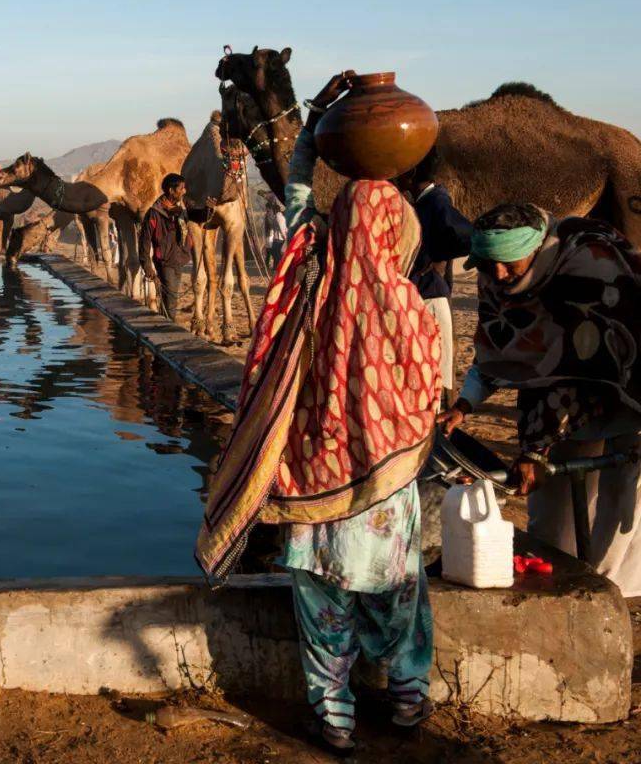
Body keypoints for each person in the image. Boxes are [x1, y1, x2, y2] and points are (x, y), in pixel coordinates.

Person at [196, 72, 439, 754]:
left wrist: (323, 111)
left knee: (321, 605)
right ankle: (408, 697)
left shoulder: (313, 265)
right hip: (386, 494)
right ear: (397, 238)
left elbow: (296, 184)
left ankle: (333, 718)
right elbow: (428, 393)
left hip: (316, 482)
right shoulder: (411, 307)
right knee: (399, 597)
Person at [439, 202, 641, 597]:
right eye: (485, 264)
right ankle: (563, 586)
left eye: (507, 264)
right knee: (553, 514)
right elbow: (502, 348)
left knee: (618, 503)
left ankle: (609, 600)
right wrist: (464, 406)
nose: (497, 274)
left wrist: (536, 451)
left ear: (533, 249)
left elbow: (577, 369)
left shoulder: (588, 270)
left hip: (627, 388)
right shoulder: (495, 276)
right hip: (555, 404)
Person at [395, 150, 473, 404]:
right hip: (420, 298)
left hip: (430, 299)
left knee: (432, 383)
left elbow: (466, 238)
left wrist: (439, 257)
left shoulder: (436, 203)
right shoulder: (421, 204)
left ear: (411, 173)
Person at [139, 173, 191, 320]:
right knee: (171, 298)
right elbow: (145, 240)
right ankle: (170, 327)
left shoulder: (180, 211)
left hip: (179, 259)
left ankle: (165, 324)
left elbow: (198, 216)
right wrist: (146, 265)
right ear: (171, 190)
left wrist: (208, 209)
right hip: (164, 261)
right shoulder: (154, 213)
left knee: (170, 297)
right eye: (181, 188)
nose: (184, 191)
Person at [262, 192, 288, 271]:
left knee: (277, 260)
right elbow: (282, 229)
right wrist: (286, 238)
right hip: (279, 240)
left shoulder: (275, 217)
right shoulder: (279, 217)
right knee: (278, 259)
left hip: (276, 240)